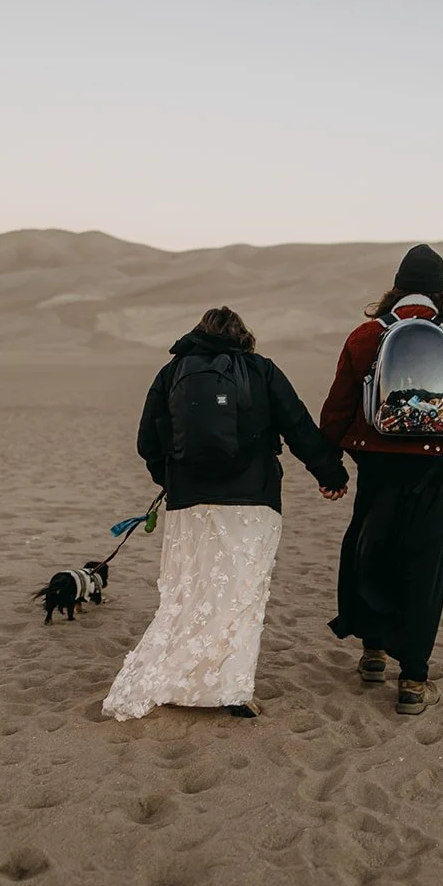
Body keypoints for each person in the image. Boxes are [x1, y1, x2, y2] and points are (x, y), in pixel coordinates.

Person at [103, 306, 349, 721]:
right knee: (241, 594)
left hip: (189, 502)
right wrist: (331, 474)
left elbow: (148, 441)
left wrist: (171, 478)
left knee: (190, 590)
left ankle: (170, 679)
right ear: (243, 336)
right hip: (253, 501)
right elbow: (299, 427)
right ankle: (232, 690)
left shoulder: (171, 374)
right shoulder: (261, 370)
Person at [319, 244, 443, 715]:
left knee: (372, 553)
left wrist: (329, 465)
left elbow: (339, 405)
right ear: (440, 289)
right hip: (436, 467)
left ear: (396, 286)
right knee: (424, 566)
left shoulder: (365, 336)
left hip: (376, 466)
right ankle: (414, 680)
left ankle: (374, 653)